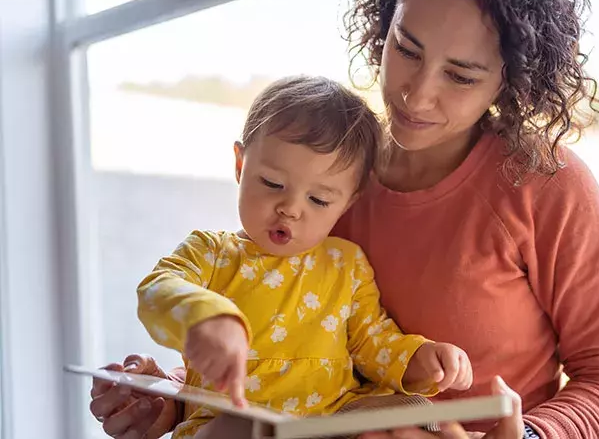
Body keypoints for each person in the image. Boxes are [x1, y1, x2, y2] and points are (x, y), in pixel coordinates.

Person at [89, 0, 599, 438]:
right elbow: (279, 339)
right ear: (385, 23)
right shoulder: (326, 177)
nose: (416, 94)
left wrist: (527, 436)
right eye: (406, 49)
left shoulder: (546, 185)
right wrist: (171, 400)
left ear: (510, 78)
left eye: (460, 75)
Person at [131, 75, 473, 438]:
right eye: (272, 184)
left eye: (319, 200)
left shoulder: (346, 263)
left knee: (417, 413)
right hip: (233, 416)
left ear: (347, 203)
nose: (290, 209)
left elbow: (372, 340)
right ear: (240, 165)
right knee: (239, 428)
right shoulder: (211, 253)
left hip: (334, 420)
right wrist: (204, 317)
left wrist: (419, 361)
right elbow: (156, 289)